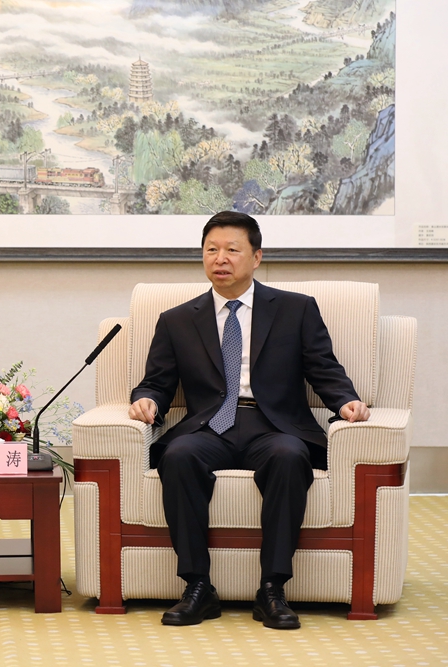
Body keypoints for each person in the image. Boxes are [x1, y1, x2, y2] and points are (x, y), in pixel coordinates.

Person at [128, 211, 369, 630]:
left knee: (289, 456)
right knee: (178, 456)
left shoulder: (295, 309)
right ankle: (197, 587)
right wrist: (146, 399)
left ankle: (272, 589)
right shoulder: (176, 320)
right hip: (209, 426)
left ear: (256, 257)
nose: (220, 258)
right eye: (211, 250)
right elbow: (157, 381)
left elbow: (323, 368)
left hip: (273, 425)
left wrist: (346, 401)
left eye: (232, 250)